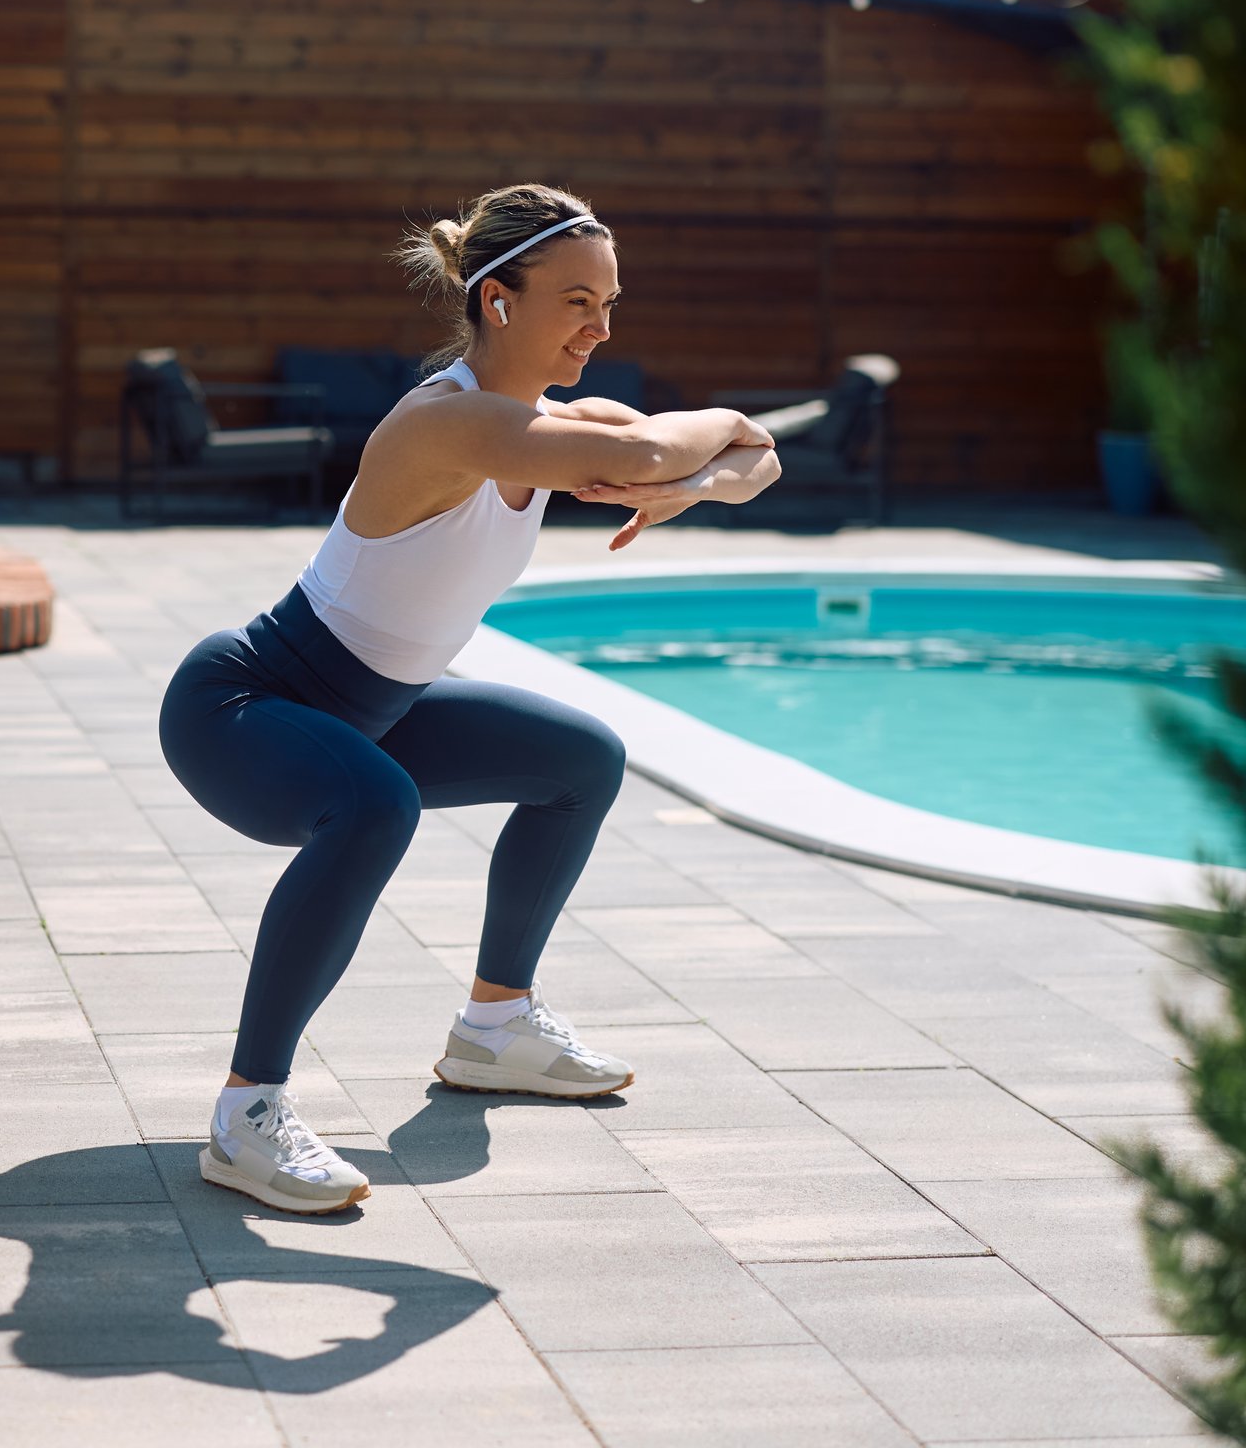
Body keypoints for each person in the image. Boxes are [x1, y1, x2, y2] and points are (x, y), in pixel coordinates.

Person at [156, 183, 783, 1214]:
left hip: (378, 708)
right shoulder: (443, 424)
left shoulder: (551, 420)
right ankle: (246, 1110)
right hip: (242, 709)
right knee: (374, 804)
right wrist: (687, 452)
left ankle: (496, 1028)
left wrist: (698, 484)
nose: (603, 326)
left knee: (581, 758)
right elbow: (668, 445)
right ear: (499, 299)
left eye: (612, 302)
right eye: (578, 299)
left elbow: (757, 453)